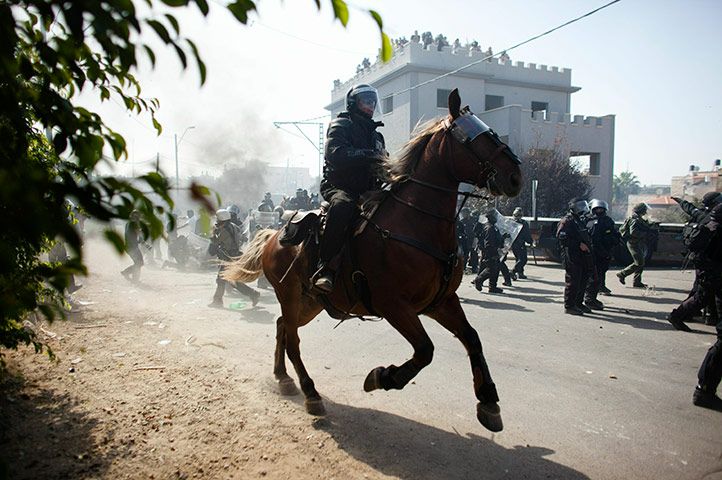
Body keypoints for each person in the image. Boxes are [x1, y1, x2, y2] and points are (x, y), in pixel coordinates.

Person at [314, 84, 387, 292]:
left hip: (369, 190)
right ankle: (325, 266)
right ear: (354, 103)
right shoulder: (341, 125)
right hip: (339, 186)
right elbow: (335, 154)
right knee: (343, 206)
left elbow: (382, 162)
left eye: (373, 101)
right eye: (367, 101)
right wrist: (368, 155)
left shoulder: (376, 136)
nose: (371, 105)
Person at [672, 191, 722, 324]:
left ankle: (710, 317)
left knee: (705, 291)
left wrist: (680, 201)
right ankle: (680, 315)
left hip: (703, 262)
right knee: (703, 294)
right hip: (711, 264)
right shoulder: (715, 221)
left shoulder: (704, 216)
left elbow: (690, 208)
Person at [208, 209, 260, 308]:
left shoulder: (224, 231)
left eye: (219, 221)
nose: (217, 222)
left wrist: (212, 234)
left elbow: (216, 242)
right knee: (233, 281)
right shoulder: (232, 226)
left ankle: (217, 301)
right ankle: (253, 294)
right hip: (232, 256)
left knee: (221, 280)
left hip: (228, 258)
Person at [556, 198, 594, 315]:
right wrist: (578, 244)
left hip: (582, 256)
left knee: (583, 280)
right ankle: (569, 305)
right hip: (571, 255)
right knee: (573, 281)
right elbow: (562, 238)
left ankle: (578, 303)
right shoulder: (567, 221)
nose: (582, 209)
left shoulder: (580, 220)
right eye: (579, 207)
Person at [583, 199, 620, 308]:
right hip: (597, 254)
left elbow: (611, 234)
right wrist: (603, 253)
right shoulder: (594, 223)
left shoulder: (607, 221)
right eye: (597, 209)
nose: (600, 211)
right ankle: (590, 299)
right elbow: (595, 242)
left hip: (605, 252)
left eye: (601, 209)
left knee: (599, 275)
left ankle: (595, 295)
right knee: (594, 277)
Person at [617, 203, 654, 288]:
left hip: (637, 242)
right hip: (633, 243)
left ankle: (637, 282)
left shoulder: (637, 218)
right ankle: (622, 274)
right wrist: (645, 234)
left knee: (641, 262)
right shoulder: (635, 220)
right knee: (639, 262)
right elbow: (633, 232)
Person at [472, 210, 505, 294]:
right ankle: (479, 280)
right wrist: (492, 252)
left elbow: (496, 239)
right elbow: (489, 242)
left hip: (494, 250)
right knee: (491, 268)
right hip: (490, 252)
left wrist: (503, 237)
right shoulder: (489, 228)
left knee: (496, 269)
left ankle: (492, 286)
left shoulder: (493, 227)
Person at [121, 210, 145, 283]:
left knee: (138, 262)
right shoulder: (134, 223)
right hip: (132, 246)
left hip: (129, 246)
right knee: (140, 262)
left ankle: (134, 279)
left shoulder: (128, 223)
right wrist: (141, 238)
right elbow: (138, 232)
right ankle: (127, 272)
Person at [510, 207, 534, 279]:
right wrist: (530, 242)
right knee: (523, 259)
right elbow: (527, 234)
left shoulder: (511, 223)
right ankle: (513, 271)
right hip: (520, 243)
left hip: (513, 243)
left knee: (518, 258)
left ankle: (520, 273)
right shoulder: (523, 223)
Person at [459, 207, 476, 271]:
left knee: (474, 253)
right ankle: (463, 267)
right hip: (466, 240)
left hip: (473, 239)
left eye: (464, 213)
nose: (463, 215)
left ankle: (474, 267)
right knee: (465, 254)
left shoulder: (473, 220)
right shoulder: (462, 221)